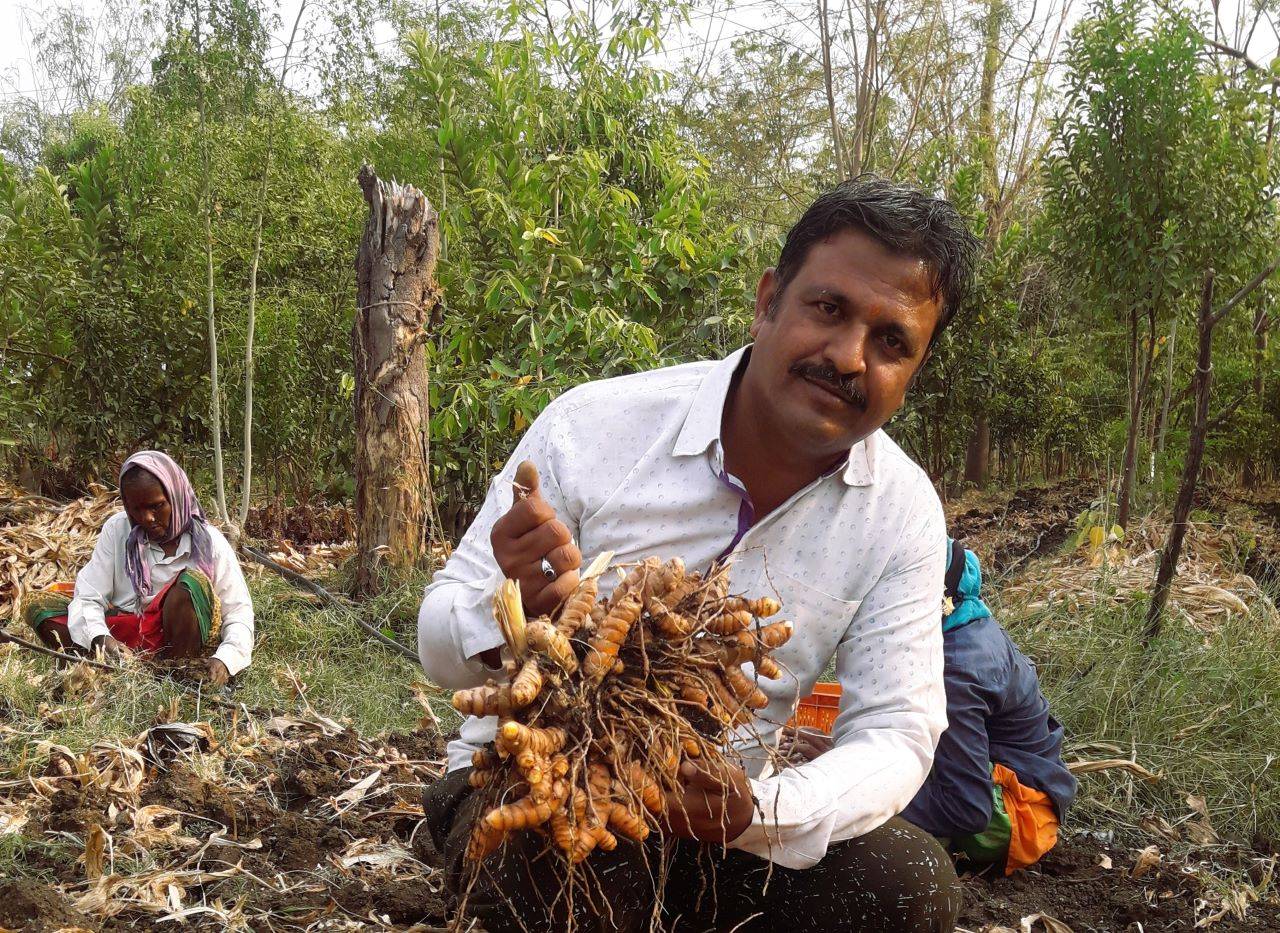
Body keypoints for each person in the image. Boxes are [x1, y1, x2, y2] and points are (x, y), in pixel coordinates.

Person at [418, 176, 981, 933]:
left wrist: (764, 810)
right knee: (571, 881)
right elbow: (436, 640)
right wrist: (518, 625)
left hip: (723, 828)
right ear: (768, 300)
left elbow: (899, 730)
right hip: (533, 786)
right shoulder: (594, 426)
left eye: (891, 342)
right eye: (829, 309)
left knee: (914, 887)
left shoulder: (901, 511)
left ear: (913, 374)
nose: (849, 356)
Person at [898, 538, 1077, 873]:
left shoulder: (956, 670)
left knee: (871, 815)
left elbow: (967, 809)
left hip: (1010, 819)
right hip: (1023, 782)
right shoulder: (968, 623)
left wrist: (863, 793)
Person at [24, 450, 254, 686]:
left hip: (177, 635)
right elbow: (88, 595)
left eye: (156, 506)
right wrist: (101, 638)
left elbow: (238, 612)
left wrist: (225, 660)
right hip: (126, 634)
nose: (147, 518)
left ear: (175, 496)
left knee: (189, 587)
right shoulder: (117, 530)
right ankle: (116, 669)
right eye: (135, 509)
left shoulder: (209, 543)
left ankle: (174, 673)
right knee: (43, 609)